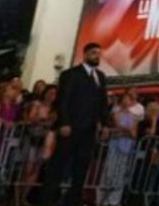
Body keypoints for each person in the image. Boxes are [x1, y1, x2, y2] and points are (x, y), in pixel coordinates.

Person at [37, 43, 111, 206]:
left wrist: (105, 124)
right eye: (93, 53)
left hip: (89, 130)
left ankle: (73, 200)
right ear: (84, 55)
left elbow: (102, 103)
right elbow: (63, 100)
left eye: (99, 53)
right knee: (58, 165)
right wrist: (64, 122)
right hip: (70, 127)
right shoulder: (70, 74)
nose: (96, 56)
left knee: (81, 168)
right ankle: (46, 200)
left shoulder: (100, 76)